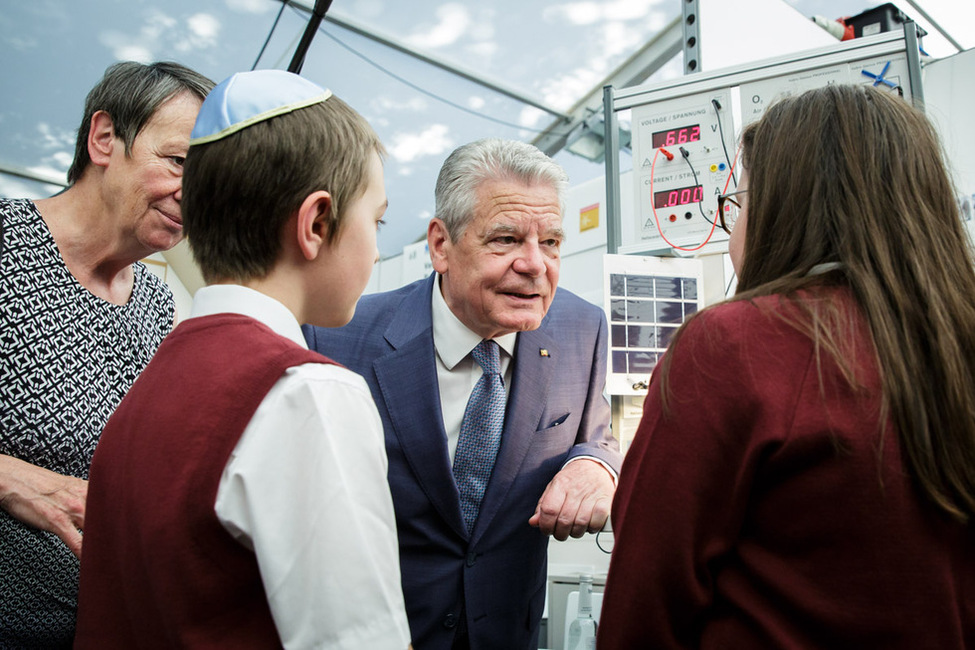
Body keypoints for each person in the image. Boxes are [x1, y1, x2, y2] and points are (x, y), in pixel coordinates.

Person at [598, 84, 975, 649]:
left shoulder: (736, 345)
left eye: (739, 204)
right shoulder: (954, 345)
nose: (730, 236)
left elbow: (645, 602)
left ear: (784, 210)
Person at [73, 69, 412, 649]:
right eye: (375, 221)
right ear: (317, 223)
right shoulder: (307, 393)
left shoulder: (156, 374)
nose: (378, 248)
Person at [304, 138, 622, 650]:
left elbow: (595, 435)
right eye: (505, 239)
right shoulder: (338, 337)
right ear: (441, 245)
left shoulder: (581, 330)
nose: (535, 265)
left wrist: (596, 464)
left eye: (552, 242)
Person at [0, 61, 213, 647]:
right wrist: (9, 476)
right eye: (178, 163)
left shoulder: (156, 300)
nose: (190, 195)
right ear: (103, 139)